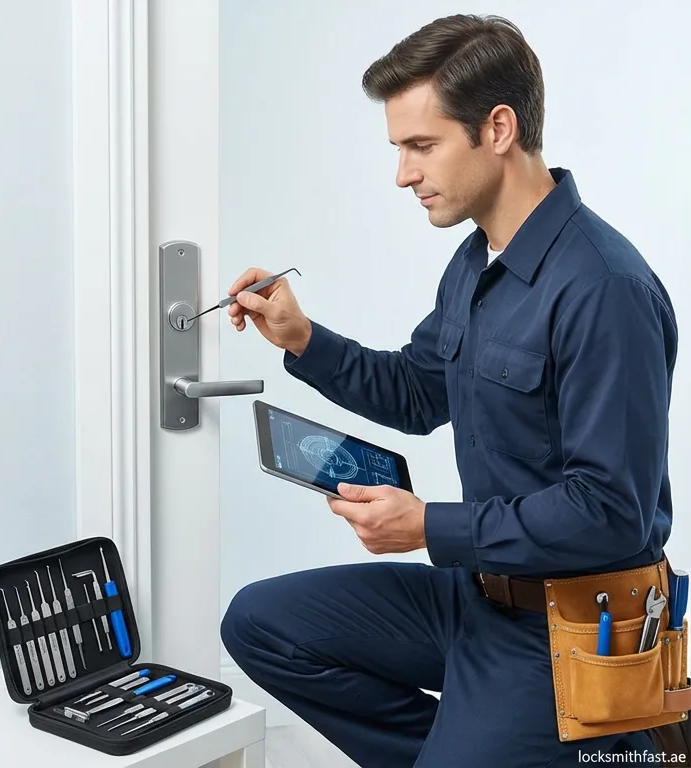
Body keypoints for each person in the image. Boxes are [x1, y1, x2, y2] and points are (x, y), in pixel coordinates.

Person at [219, 14, 677, 766]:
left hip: (577, 631)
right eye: (399, 148)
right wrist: (301, 337)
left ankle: (610, 744)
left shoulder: (605, 288)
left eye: (420, 146)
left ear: (497, 128)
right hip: (475, 601)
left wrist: (429, 526)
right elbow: (415, 391)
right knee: (260, 622)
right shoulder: (475, 263)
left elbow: (611, 515)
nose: (403, 173)